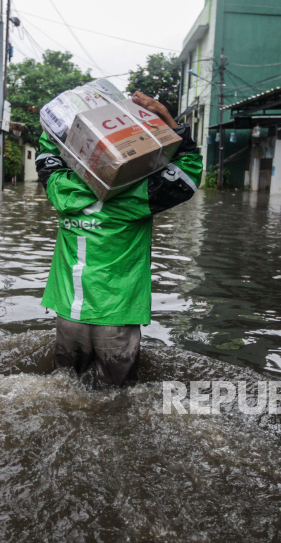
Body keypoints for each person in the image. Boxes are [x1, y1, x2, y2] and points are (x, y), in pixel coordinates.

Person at [36, 90, 202, 387]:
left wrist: (76, 121)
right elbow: (189, 170)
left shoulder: (61, 190)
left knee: (65, 391)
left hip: (69, 315)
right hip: (116, 319)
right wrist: (163, 114)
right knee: (118, 402)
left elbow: (48, 154)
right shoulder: (137, 197)